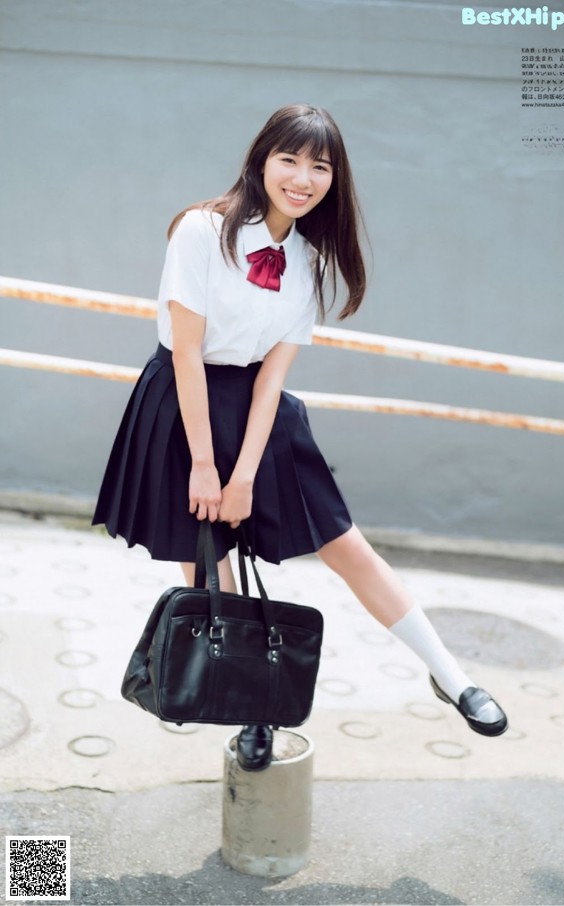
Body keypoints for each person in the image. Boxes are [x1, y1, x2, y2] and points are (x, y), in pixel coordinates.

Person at [93, 104, 507, 771]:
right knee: (209, 566)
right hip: (183, 403)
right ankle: (252, 710)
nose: (303, 177)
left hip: (263, 413)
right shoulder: (200, 231)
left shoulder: (310, 262)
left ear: (332, 181)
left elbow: (272, 378)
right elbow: (187, 355)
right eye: (290, 159)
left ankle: (453, 677)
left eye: (320, 166)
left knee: (348, 547)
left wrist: (246, 474)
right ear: (261, 160)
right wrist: (205, 465)